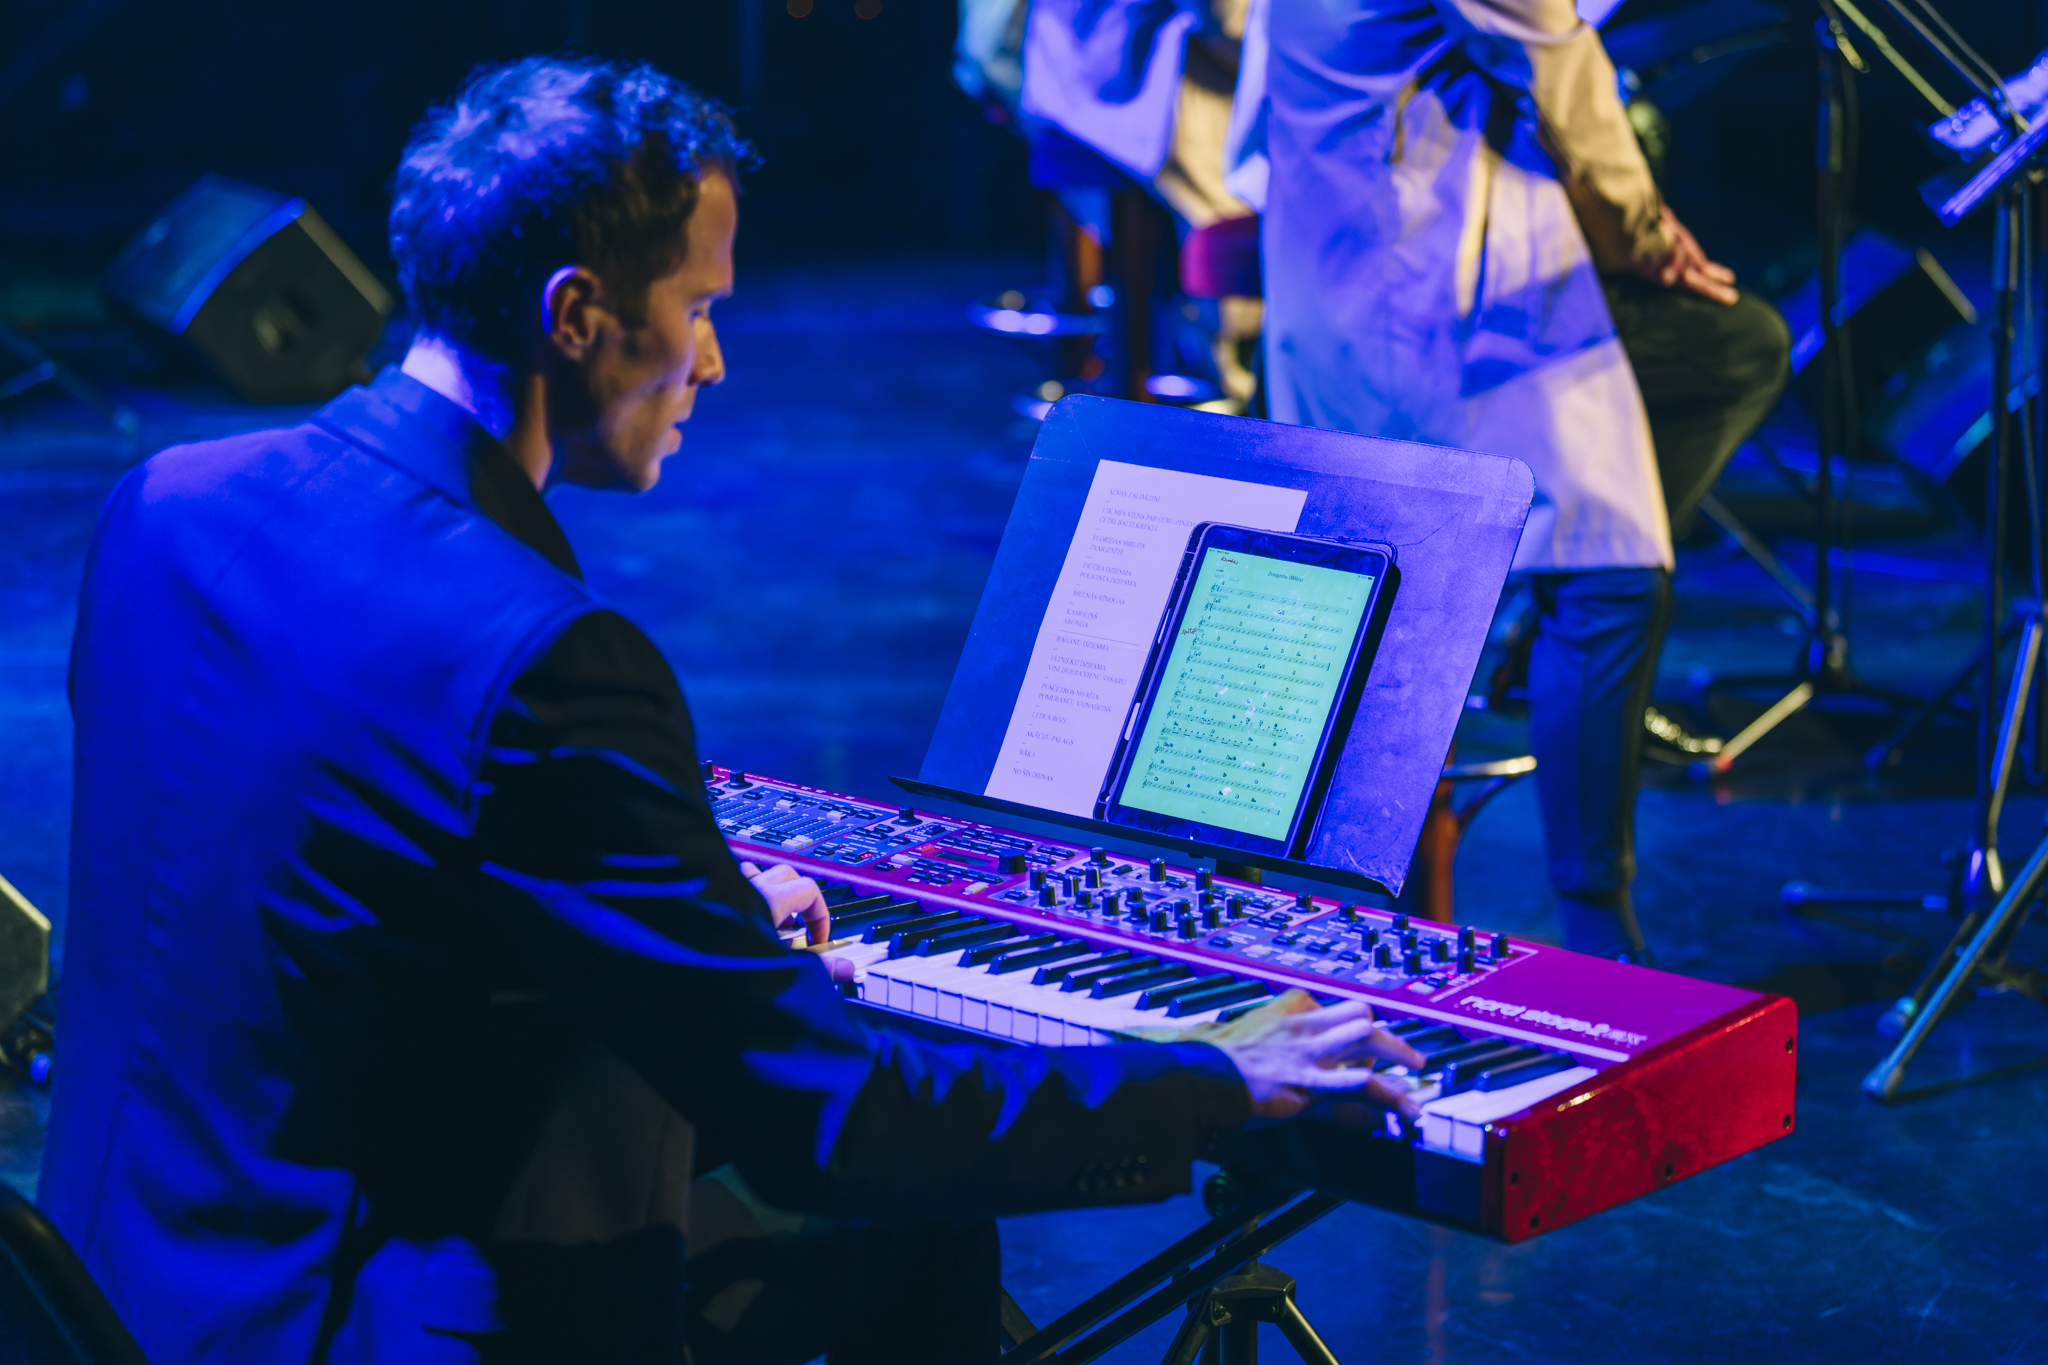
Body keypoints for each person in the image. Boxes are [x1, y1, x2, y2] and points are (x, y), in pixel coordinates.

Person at [40, 57, 1423, 1365]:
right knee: (905, 1212)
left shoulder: (168, 508)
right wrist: (1206, 1080)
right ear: (576, 316)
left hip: (115, 1296)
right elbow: (837, 1122)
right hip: (358, 1326)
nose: (711, 362)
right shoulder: (542, 657)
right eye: (699, 308)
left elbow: (304, 883)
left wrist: (672, 927)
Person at [1252, 0, 1790, 960]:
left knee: (1735, 351)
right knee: (1611, 575)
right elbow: (1554, 50)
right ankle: (1599, 929)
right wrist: (1643, 232)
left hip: (1346, 260)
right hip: (1431, 301)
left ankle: (1524, 618)